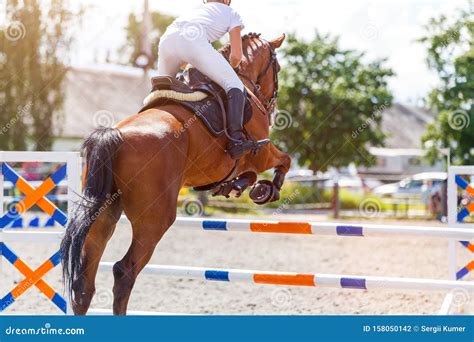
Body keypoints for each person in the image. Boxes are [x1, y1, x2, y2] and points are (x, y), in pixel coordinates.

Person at [157, 0, 254, 160]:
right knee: (234, 84)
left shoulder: (197, 11)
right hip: (193, 43)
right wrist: (232, 68)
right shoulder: (232, 14)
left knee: (160, 92)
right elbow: (236, 56)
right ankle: (236, 141)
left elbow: (183, 63)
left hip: (166, 40)